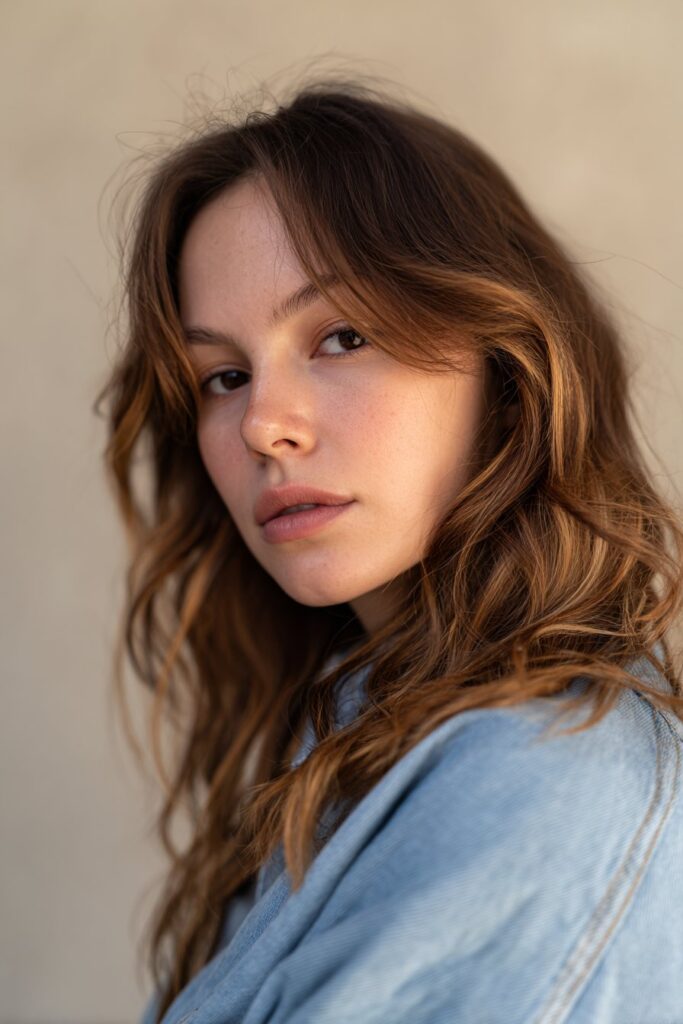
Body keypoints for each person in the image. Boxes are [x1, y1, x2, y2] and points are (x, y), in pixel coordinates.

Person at [96, 77, 683, 1024]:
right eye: (224, 376)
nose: (263, 426)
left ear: (506, 367)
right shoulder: (350, 738)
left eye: (341, 336)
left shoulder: (540, 768)